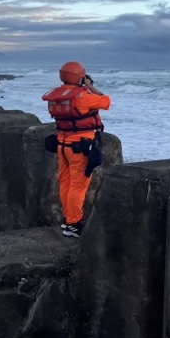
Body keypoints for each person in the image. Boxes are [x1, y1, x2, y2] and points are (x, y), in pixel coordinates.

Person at [42, 61, 111, 238]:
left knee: (65, 183)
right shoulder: (83, 96)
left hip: (62, 145)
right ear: (80, 76)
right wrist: (90, 86)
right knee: (78, 186)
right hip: (80, 147)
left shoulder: (56, 96)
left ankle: (68, 220)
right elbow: (106, 101)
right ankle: (73, 224)